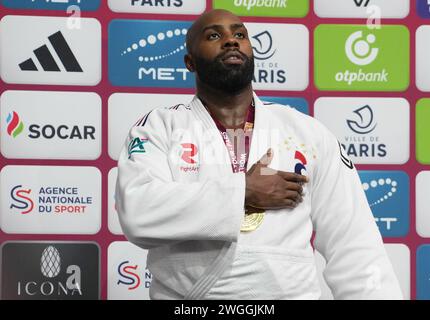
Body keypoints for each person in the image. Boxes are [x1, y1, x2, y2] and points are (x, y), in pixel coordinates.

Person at [116, 9, 403, 300]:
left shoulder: (306, 133)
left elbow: (354, 243)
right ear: (189, 62)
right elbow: (138, 210)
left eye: (240, 35)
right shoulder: (160, 127)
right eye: (214, 35)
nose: (231, 41)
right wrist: (243, 192)